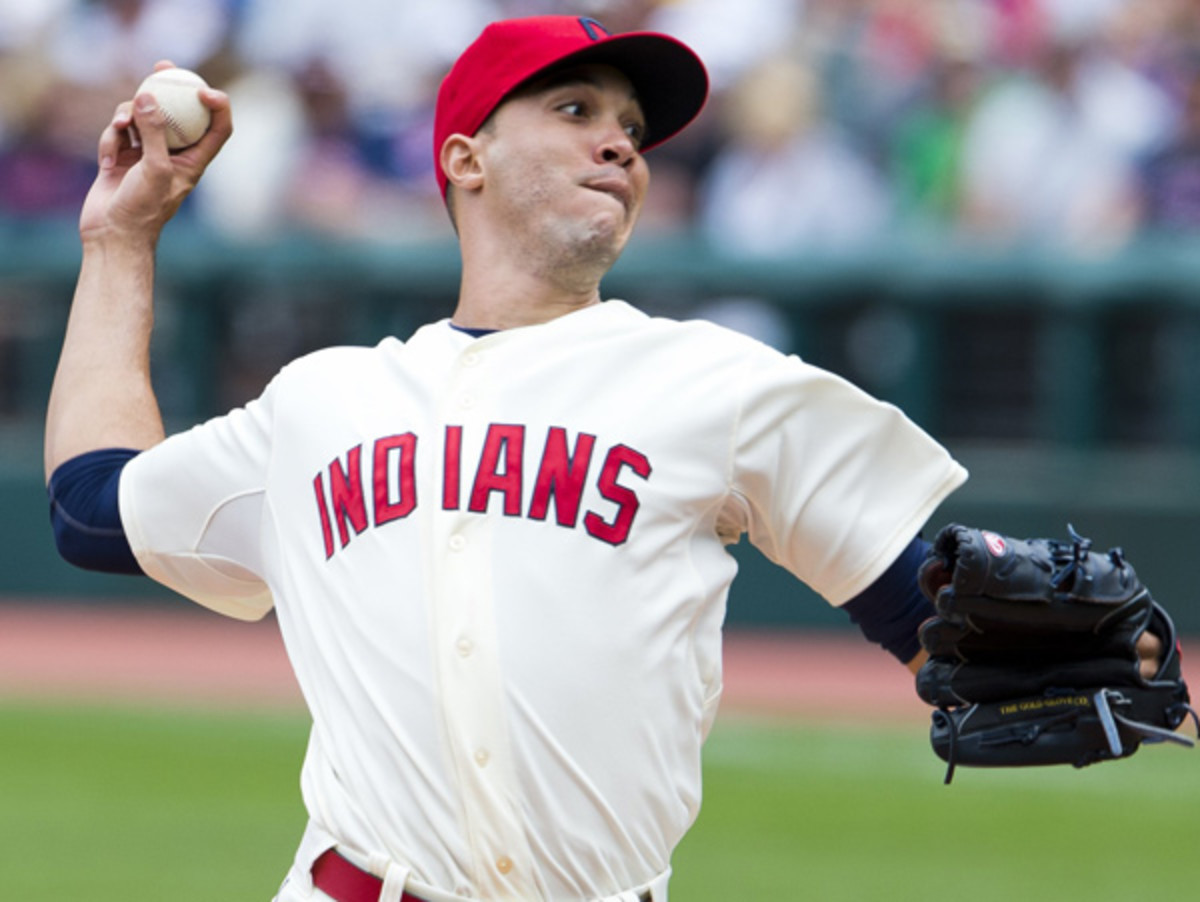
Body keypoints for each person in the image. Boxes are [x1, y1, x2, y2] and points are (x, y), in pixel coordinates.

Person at [46, 16, 971, 902]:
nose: (619, 145)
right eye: (576, 111)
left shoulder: (717, 384)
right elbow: (91, 509)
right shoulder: (322, 401)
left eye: (632, 130)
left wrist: (1110, 654)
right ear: (465, 158)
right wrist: (119, 238)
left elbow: (941, 611)